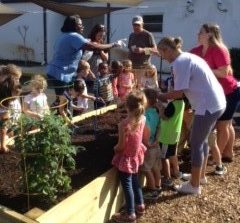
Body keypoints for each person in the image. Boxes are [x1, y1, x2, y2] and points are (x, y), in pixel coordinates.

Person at [157, 36, 226, 195]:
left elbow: (178, 93)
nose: (163, 58)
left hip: (207, 106)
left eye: (162, 54)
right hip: (215, 103)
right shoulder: (189, 56)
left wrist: (159, 96)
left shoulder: (180, 63)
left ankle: (194, 186)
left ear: (168, 50)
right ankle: (199, 177)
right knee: (202, 141)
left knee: (196, 143)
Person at [47, 15, 119, 115]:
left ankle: (58, 121)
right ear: (74, 26)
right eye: (80, 25)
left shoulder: (64, 35)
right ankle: (46, 118)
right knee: (62, 103)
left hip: (57, 72)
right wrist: (113, 45)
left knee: (63, 101)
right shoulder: (74, 36)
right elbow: (94, 47)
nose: (83, 26)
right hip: (60, 74)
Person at [191, 23, 240, 163]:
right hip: (215, 92)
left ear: (210, 34)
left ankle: (215, 157)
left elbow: (224, 72)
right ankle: (228, 152)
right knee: (227, 124)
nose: (197, 34)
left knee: (223, 125)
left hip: (229, 92)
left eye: (201, 32)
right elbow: (183, 58)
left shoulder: (219, 49)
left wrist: (203, 70)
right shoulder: (197, 50)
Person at [111, 90, 147, 223]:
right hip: (136, 155)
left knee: (127, 185)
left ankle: (130, 214)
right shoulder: (143, 119)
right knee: (135, 181)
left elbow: (120, 146)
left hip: (126, 158)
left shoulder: (123, 125)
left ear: (127, 106)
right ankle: (140, 205)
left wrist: (114, 148)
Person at [141, 88, 161, 200]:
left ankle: (152, 190)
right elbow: (158, 127)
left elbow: (146, 129)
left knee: (146, 169)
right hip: (155, 144)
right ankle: (158, 187)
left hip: (148, 146)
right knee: (155, 167)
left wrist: (146, 143)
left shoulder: (145, 115)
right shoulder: (155, 112)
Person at [128, 15, 157, 88]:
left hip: (143, 67)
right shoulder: (131, 35)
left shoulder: (148, 35)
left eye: (138, 25)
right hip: (132, 67)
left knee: (142, 89)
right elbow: (129, 49)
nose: (136, 27)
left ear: (142, 24)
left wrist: (143, 50)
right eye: (134, 25)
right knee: (133, 89)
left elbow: (155, 50)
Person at [0, 76, 22, 153]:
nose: (18, 96)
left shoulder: (12, 100)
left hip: (10, 127)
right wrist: (3, 146)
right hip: (3, 132)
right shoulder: (4, 108)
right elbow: (3, 128)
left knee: (11, 139)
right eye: (16, 93)